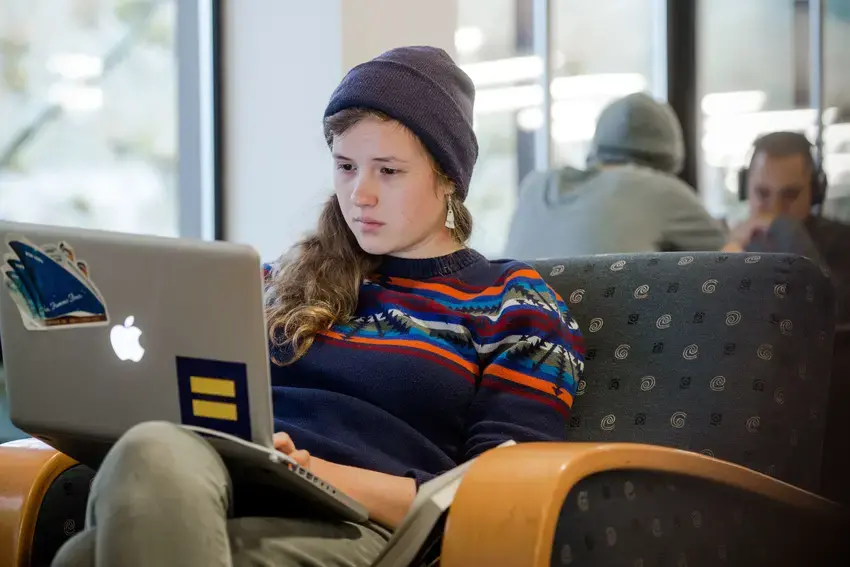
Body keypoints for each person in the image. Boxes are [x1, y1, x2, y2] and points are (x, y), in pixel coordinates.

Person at [53, 46, 585, 567]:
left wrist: (313, 470)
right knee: (108, 516)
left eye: (389, 171)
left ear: (447, 178)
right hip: (220, 491)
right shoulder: (277, 282)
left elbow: (503, 495)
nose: (360, 194)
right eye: (346, 166)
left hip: (368, 528)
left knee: (134, 483)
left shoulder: (513, 303)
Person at [503, 92, 726, 259]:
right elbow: (731, 260)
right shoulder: (660, 190)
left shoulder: (535, 184)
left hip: (507, 319)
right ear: (670, 158)